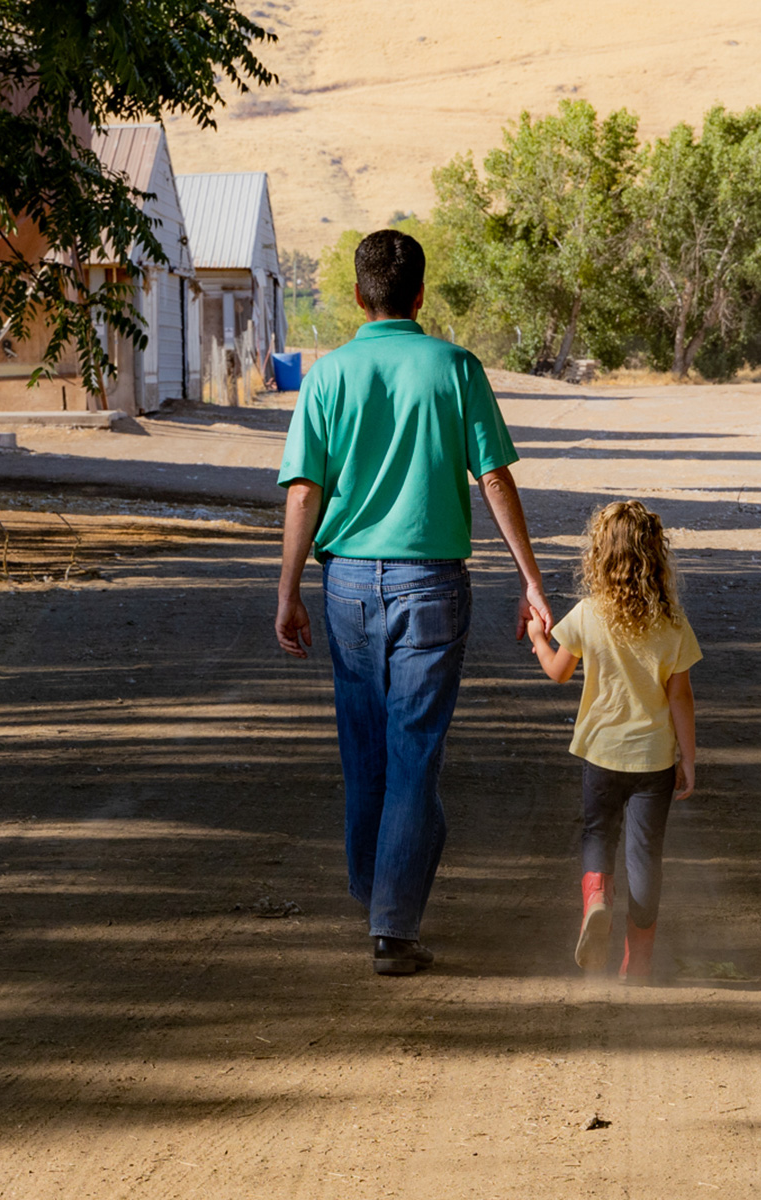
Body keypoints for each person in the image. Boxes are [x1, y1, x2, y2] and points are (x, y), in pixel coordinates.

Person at [275, 229, 551, 976]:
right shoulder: (455, 367)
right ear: (419, 295)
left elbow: (305, 488)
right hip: (432, 582)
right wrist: (530, 578)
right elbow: (494, 478)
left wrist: (289, 588)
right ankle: (391, 924)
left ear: (359, 295)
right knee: (415, 755)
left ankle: (377, 898)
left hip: (348, 584)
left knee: (364, 749)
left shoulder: (328, 376)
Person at [525, 501, 700, 981]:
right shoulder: (671, 621)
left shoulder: (588, 613)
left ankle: (596, 897)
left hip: (601, 754)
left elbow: (559, 672)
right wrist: (688, 757)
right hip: (654, 760)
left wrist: (540, 638)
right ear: (655, 558)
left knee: (597, 834)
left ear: (599, 556)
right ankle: (637, 962)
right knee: (645, 857)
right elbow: (680, 696)